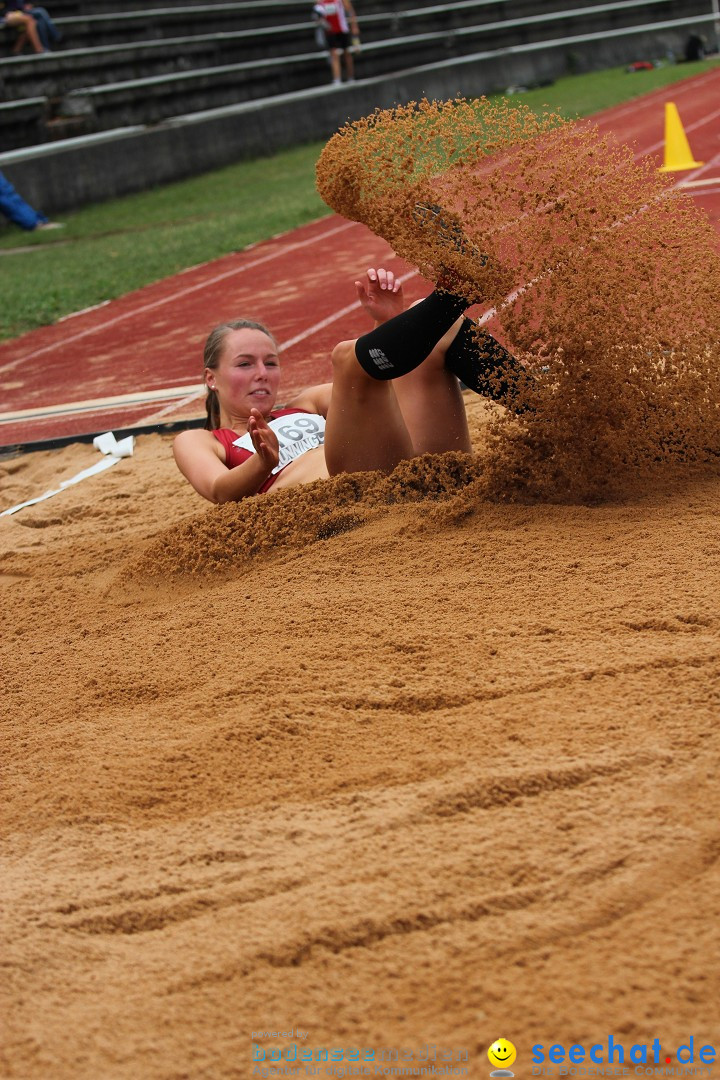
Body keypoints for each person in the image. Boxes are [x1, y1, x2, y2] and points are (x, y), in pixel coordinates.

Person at [173, 266, 531, 504]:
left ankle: (551, 414)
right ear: (211, 379)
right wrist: (263, 463)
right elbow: (218, 490)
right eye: (244, 364)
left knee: (439, 328)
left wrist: (391, 325)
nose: (262, 373)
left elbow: (383, 399)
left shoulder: (307, 402)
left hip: (424, 473)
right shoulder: (201, 440)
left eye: (271, 363)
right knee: (347, 358)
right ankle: (458, 291)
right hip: (362, 498)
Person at [312, 0, 359, 85]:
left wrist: (354, 26)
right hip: (330, 31)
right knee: (334, 54)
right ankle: (337, 78)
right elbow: (317, 14)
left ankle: (350, 77)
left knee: (346, 53)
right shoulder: (320, 1)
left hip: (342, 29)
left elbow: (350, 10)